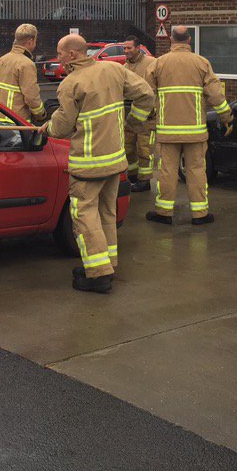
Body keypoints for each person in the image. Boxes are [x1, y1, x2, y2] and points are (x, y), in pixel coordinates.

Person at [42, 34, 154, 293]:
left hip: (88, 164)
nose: (57, 57)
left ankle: (97, 274)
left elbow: (62, 126)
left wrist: (45, 128)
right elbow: (146, 94)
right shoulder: (114, 70)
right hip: (115, 161)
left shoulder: (70, 84)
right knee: (107, 213)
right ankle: (108, 263)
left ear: (72, 54)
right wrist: (133, 123)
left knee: (84, 215)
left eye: (59, 53)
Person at [146, 25, 232, 227]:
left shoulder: (159, 64)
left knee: (167, 171)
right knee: (196, 171)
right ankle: (200, 215)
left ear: (171, 40)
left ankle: (164, 213)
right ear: (189, 40)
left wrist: (144, 120)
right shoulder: (201, 63)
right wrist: (226, 117)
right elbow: (216, 96)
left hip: (168, 132)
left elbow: (146, 95)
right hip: (195, 132)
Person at [0, 24, 47, 126]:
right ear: (30, 42)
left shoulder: (1, 60)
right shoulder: (26, 64)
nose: (35, 43)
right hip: (17, 120)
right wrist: (41, 114)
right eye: (35, 41)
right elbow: (31, 97)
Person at [122, 36, 157, 193]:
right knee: (128, 148)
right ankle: (133, 176)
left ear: (138, 48)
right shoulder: (124, 67)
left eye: (129, 48)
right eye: (125, 48)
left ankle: (145, 181)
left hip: (147, 116)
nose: (126, 51)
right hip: (130, 116)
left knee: (145, 150)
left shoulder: (151, 63)